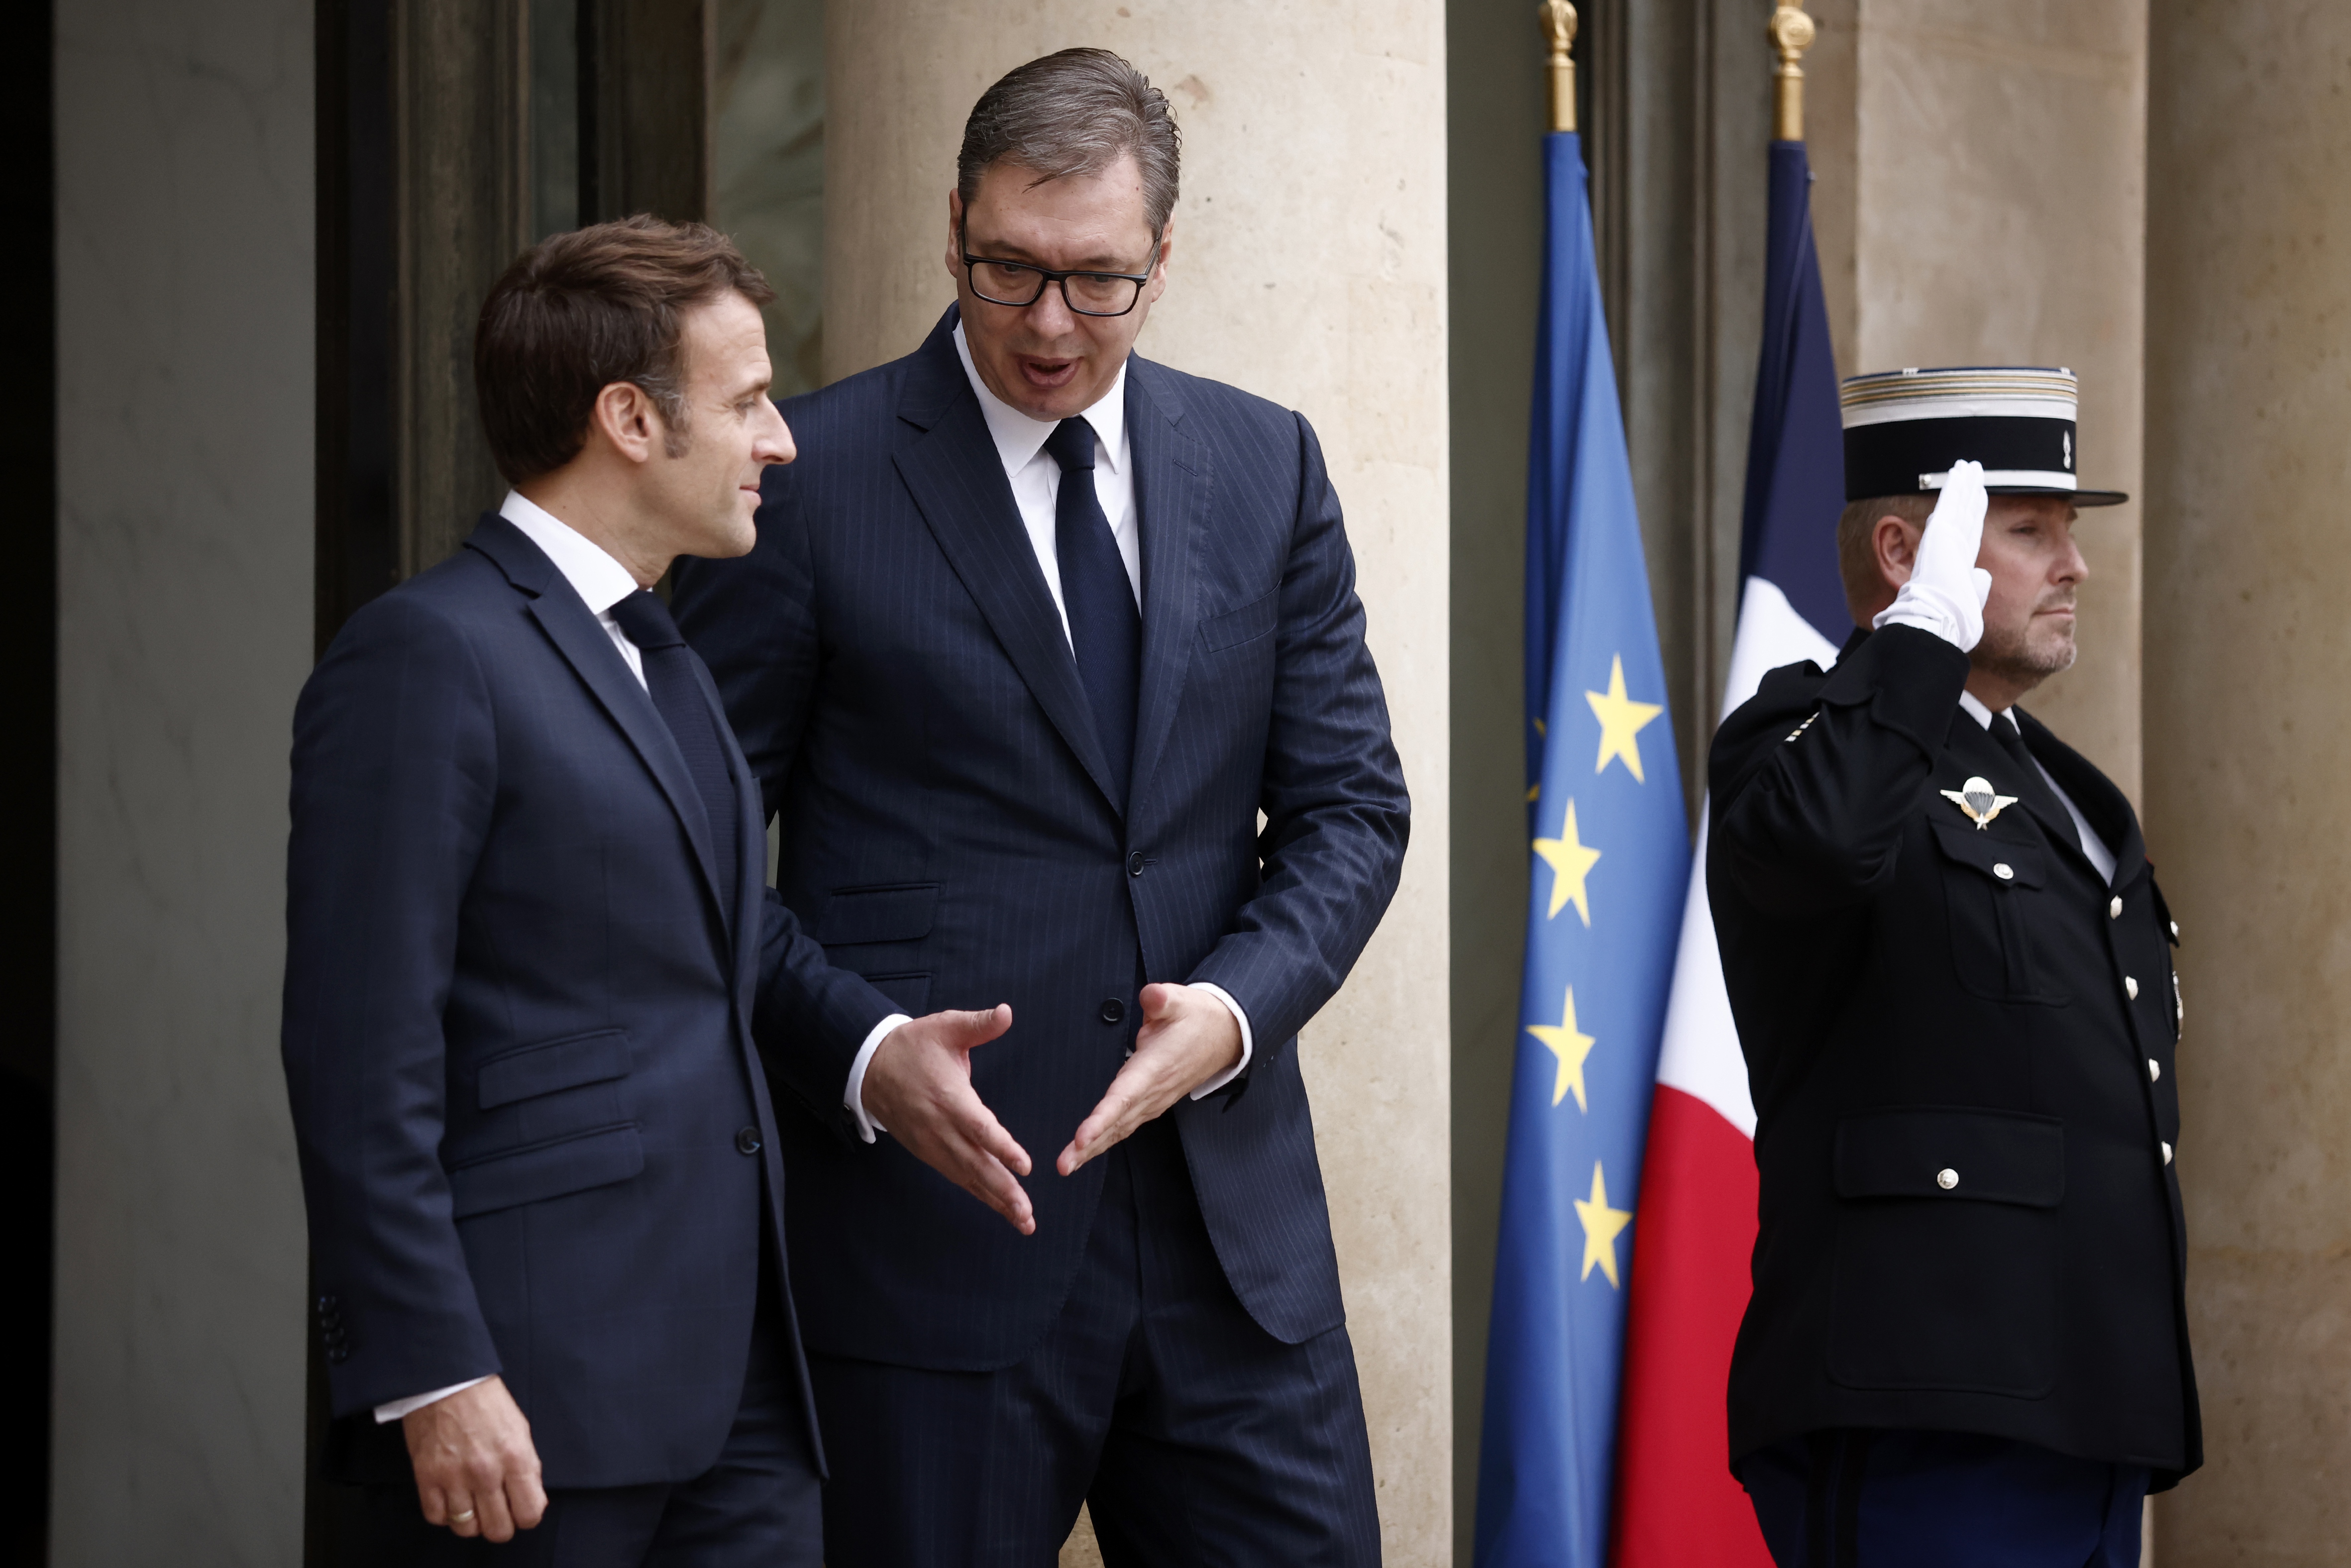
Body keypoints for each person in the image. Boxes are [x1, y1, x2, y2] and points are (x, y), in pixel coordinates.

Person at [671, 46, 1408, 1566]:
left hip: (1233, 1254)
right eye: (1010, 272)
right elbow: (679, 847)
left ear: (1162, 258)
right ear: (951, 228)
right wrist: (861, 1051)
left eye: (1098, 282)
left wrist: (1237, 1011)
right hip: (932, 1250)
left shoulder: (1265, 464)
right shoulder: (806, 480)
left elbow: (1349, 811)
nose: (1051, 327)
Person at [281, 215, 996, 1565]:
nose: (780, 441)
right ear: (627, 418)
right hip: (529, 1405)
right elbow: (355, 1053)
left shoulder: (665, 654)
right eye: (746, 402)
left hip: (740, 1401)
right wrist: (432, 1369)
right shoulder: (425, 656)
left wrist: (875, 1045)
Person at [1707, 367, 2199, 1567]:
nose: (2072, 567)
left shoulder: (2068, 795)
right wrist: (1915, 645)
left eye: (2067, 536)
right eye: (2029, 533)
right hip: (1922, 1404)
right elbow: (1829, 845)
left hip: (2084, 1402)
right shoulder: (1800, 742)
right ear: (1901, 552)